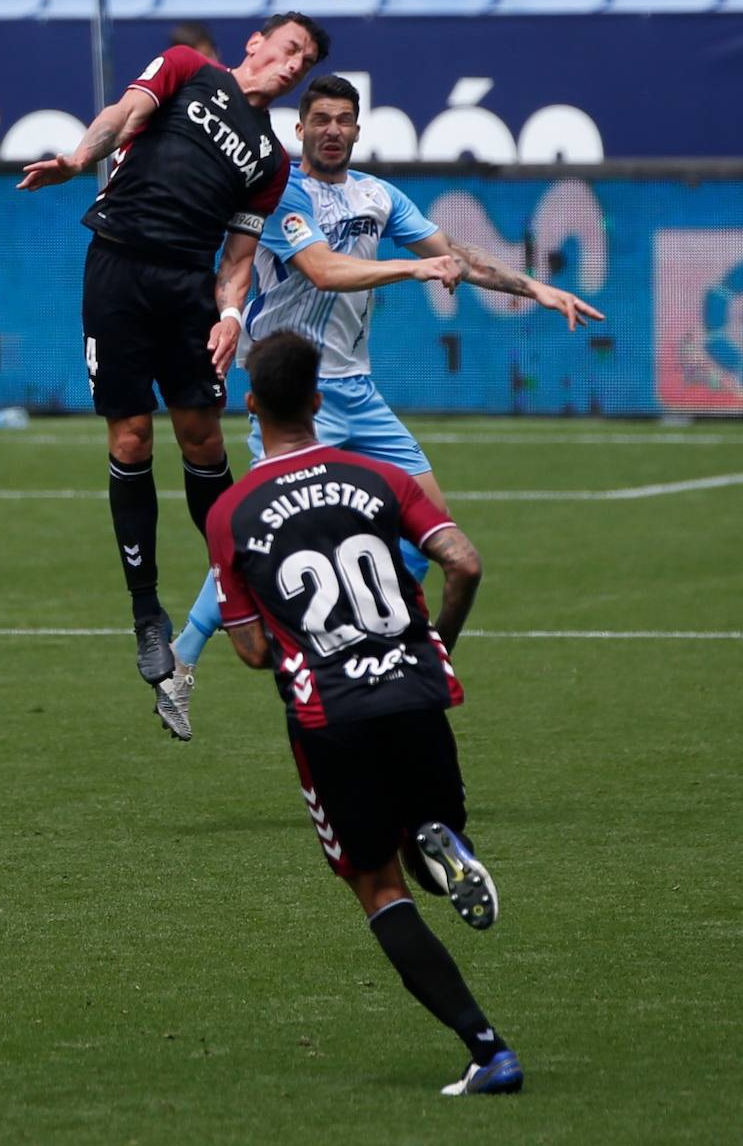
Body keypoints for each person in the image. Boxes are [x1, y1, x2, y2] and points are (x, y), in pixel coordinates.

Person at [165, 74, 604, 737]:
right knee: (259, 532)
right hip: (292, 398)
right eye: (321, 119)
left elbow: (451, 253)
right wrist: (412, 269)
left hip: (357, 394)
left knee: (432, 530)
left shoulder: (378, 195)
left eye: (343, 119)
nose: (332, 129)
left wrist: (537, 289)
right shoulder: (283, 191)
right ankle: (180, 663)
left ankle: (401, 655)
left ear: (358, 129)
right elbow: (322, 269)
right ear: (301, 129)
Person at [205, 330, 524, 1097]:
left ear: (251, 404)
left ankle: (487, 1049)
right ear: (319, 402)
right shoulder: (378, 476)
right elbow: (465, 561)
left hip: (331, 716)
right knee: (423, 838)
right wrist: (436, 640)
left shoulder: (231, 512)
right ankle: (437, 839)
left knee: (378, 887)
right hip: (417, 690)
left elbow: (251, 652)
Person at [16, 13, 333, 691]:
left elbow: (238, 260)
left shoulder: (271, 163)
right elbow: (121, 115)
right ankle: (145, 613)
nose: (290, 65)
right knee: (130, 441)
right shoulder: (187, 70)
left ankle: (239, 584)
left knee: (203, 442)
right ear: (256, 42)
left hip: (187, 288)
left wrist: (227, 315)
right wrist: (77, 159)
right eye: (287, 48)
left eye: (302, 62)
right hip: (119, 268)